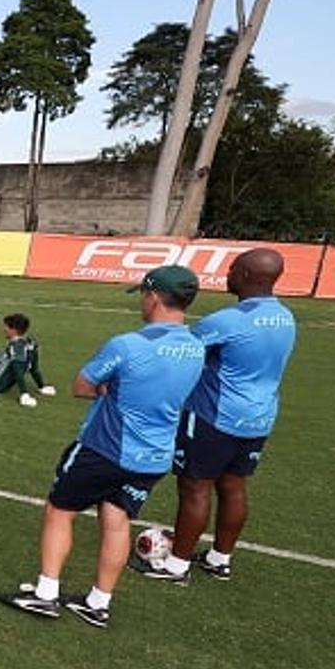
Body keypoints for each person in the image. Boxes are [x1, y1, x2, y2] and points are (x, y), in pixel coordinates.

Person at [0, 265, 205, 629]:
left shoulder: (129, 344)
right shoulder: (196, 346)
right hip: (154, 455)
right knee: (116, 520)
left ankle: (45, 594)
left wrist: (108, 388)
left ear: (153, 297)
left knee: (59, 510)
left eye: (143, 294)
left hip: (105, 448)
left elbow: (81, 386)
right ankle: (98, 602)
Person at [133, 249, 298, 585]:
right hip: (260, 415)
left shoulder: (229, 321)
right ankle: (219, 559)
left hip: (215, 415)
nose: (228, 272)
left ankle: (176, 565)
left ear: (248, 276)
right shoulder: (285, 316)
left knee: (195, 487)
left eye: (234, 268)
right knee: (234, 486)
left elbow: (184, 352)